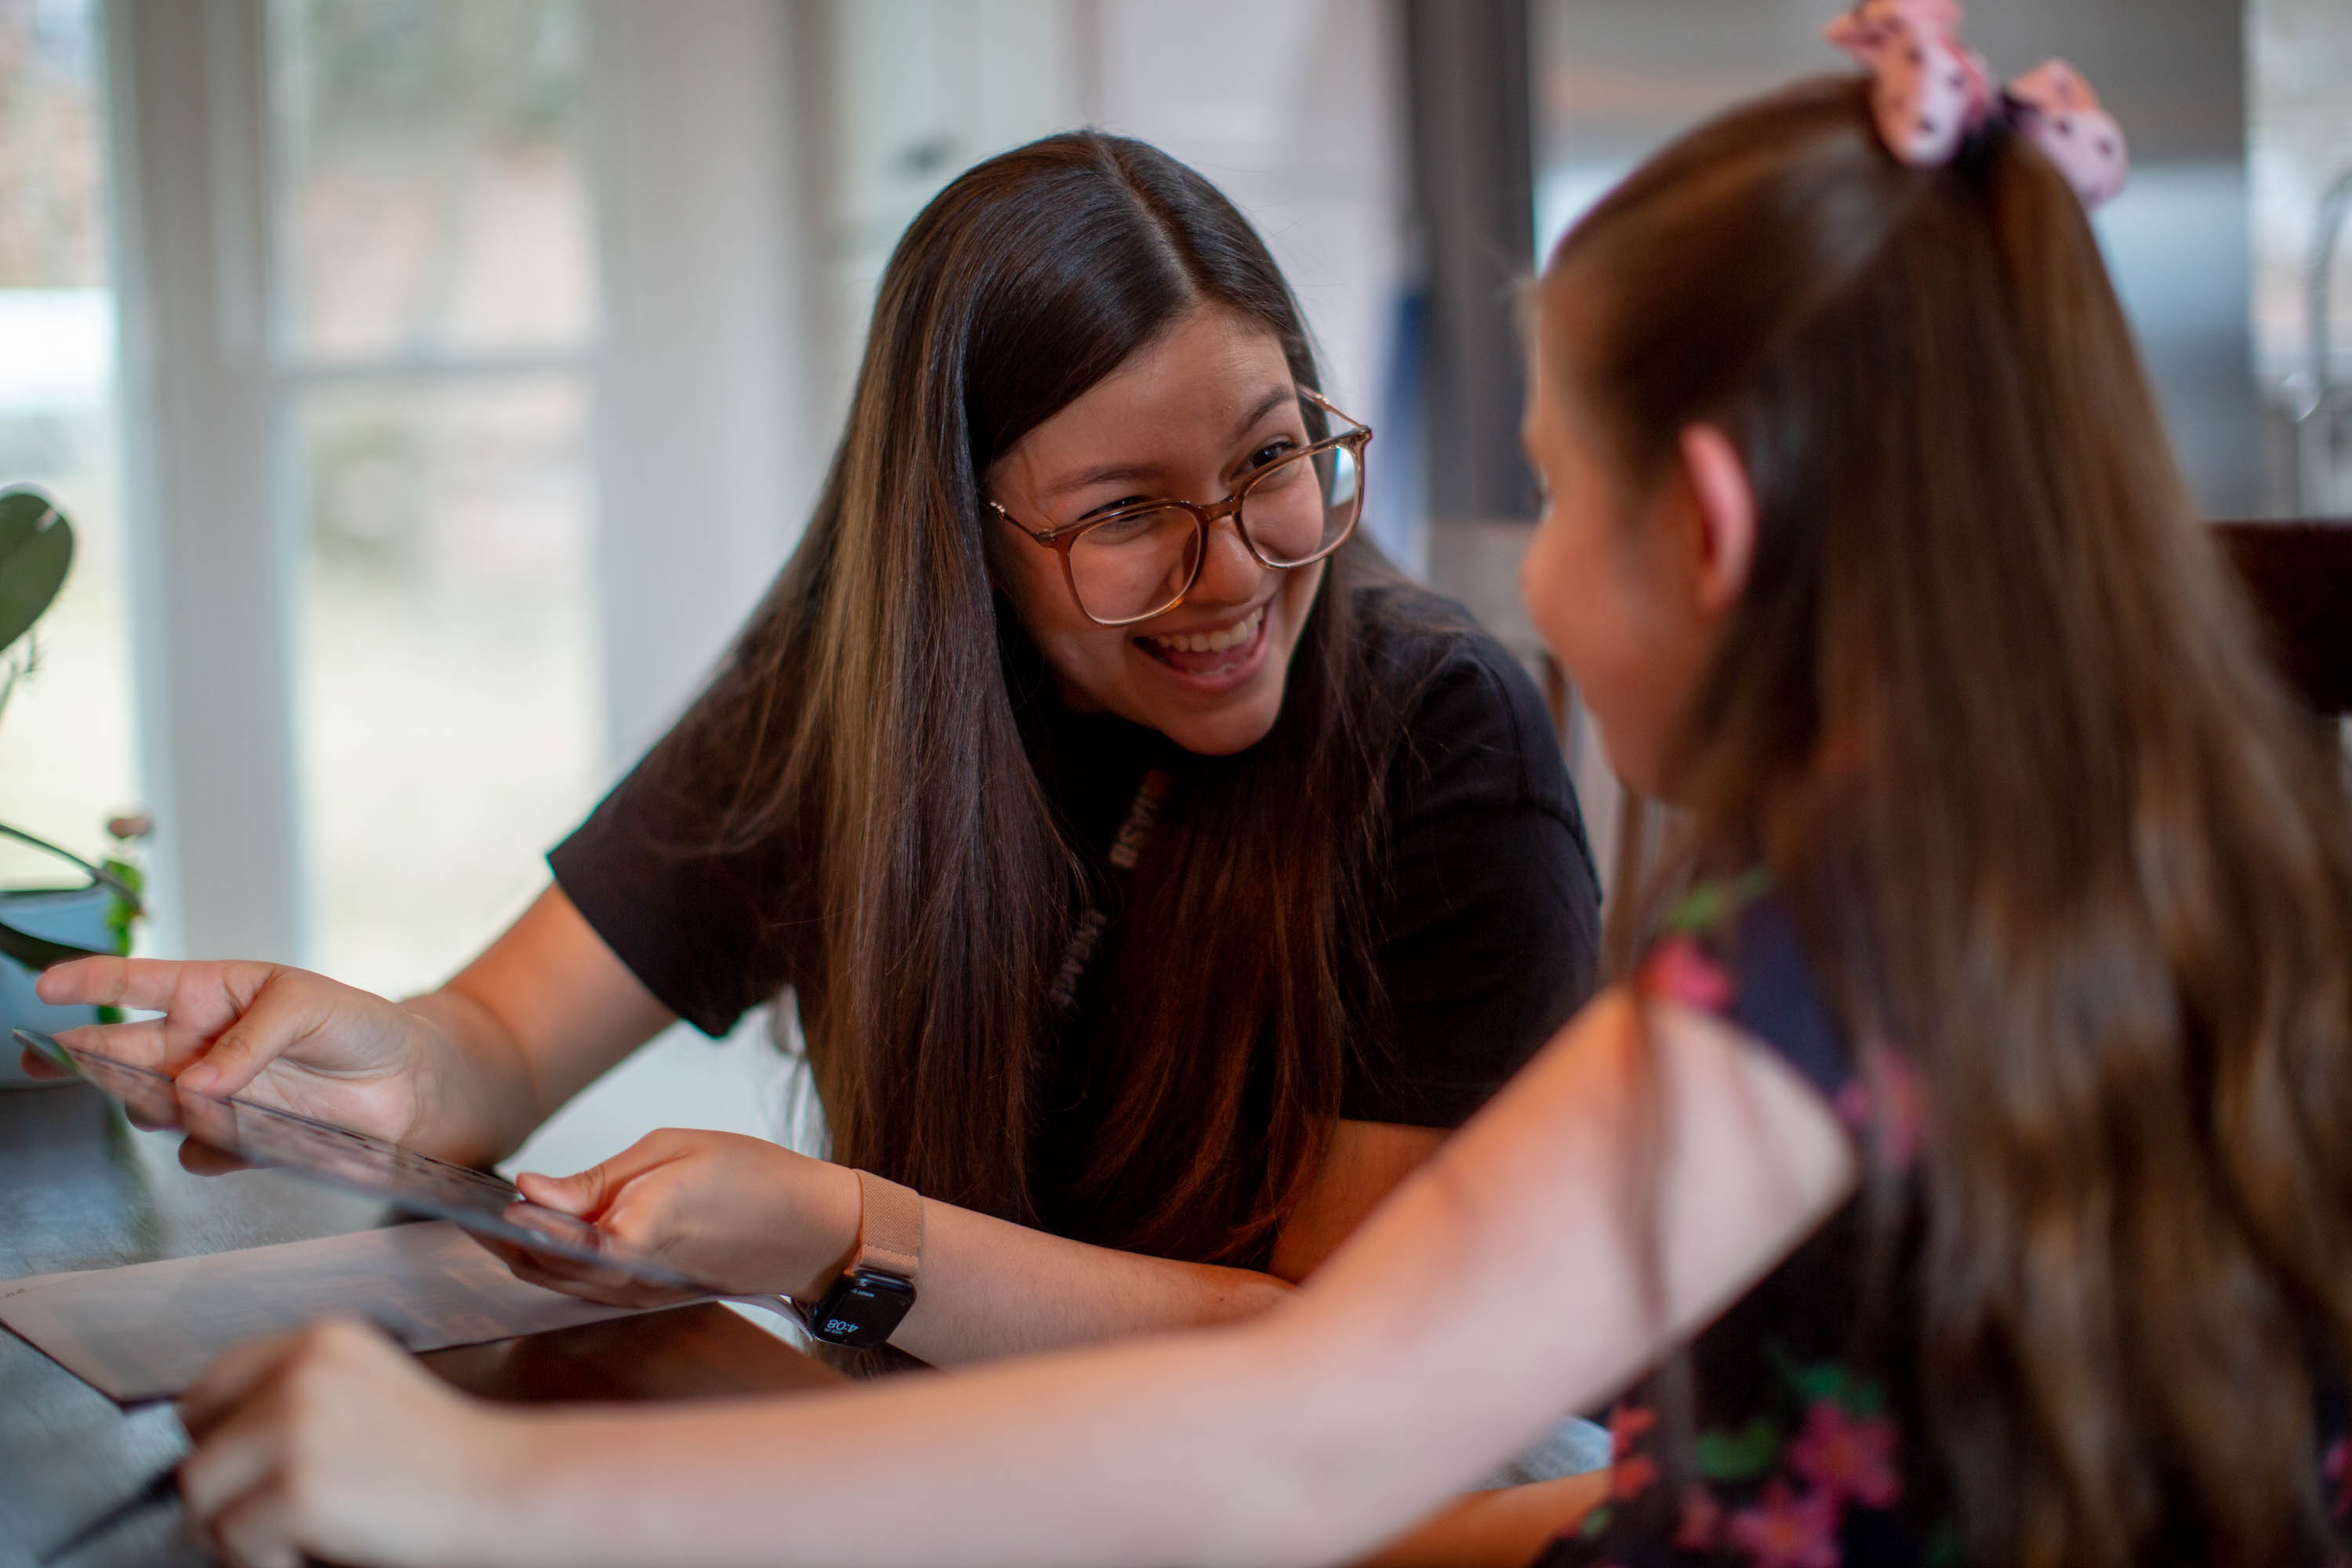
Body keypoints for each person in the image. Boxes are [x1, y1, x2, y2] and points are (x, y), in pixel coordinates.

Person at [134, 18, 2352, 1568]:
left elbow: (1319, 1423)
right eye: (1121, 513)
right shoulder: (2097, 876)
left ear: (1711, 528)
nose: (1521, 578)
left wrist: (493, 1502)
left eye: (1553, 492)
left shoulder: (1801, 971)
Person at [34, 132, 1602, 1372]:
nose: (1240, 569)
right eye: (1126, 513)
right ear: (963, 538)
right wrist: (379, 1061)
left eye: (1273, 457)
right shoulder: (855, 693)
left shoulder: (1440, 734)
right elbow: (499, 1049)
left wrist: (856, 1235)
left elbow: (1351, 1362)